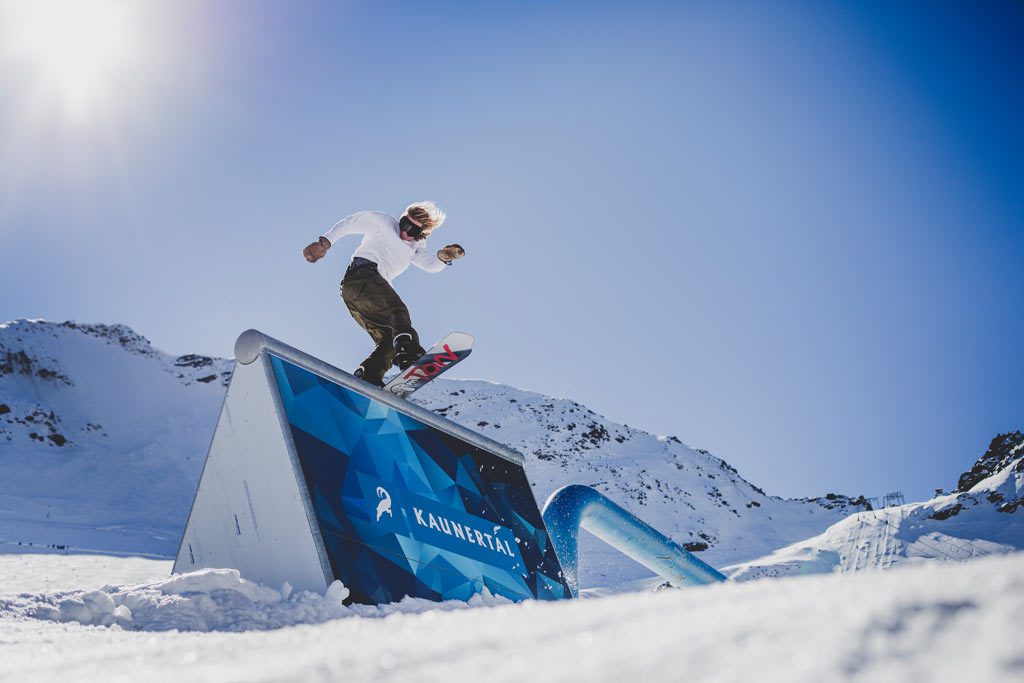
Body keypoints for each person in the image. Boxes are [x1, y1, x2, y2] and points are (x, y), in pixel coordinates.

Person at [302, 202, 465, 387]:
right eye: (404, 224)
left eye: (412, 231)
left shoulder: (415, 246)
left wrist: (443, 257)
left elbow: (430, 264)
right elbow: (351, 223)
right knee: (398, 312)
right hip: (362, 275)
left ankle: (369, 374)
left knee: (389, 339)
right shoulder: (384, 222)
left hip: (359, 296)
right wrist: (325, 242)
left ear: (421, 234)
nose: (404, 231)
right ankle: (409, 351)